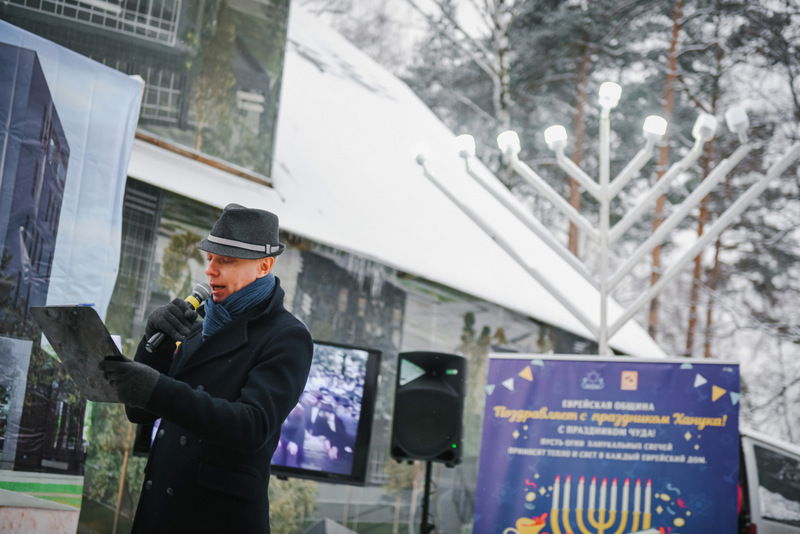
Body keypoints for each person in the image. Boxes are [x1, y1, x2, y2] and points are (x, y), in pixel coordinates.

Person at [100, 204, 313, 534]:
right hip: (160, 513)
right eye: (210, 258)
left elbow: (251, 426)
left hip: (216, 518)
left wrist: (158, 387)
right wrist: (151, 346)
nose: (211, 270)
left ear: (265, 266)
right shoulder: (198, 329)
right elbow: (138, 413)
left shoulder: (287, 337)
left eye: (227, 261)